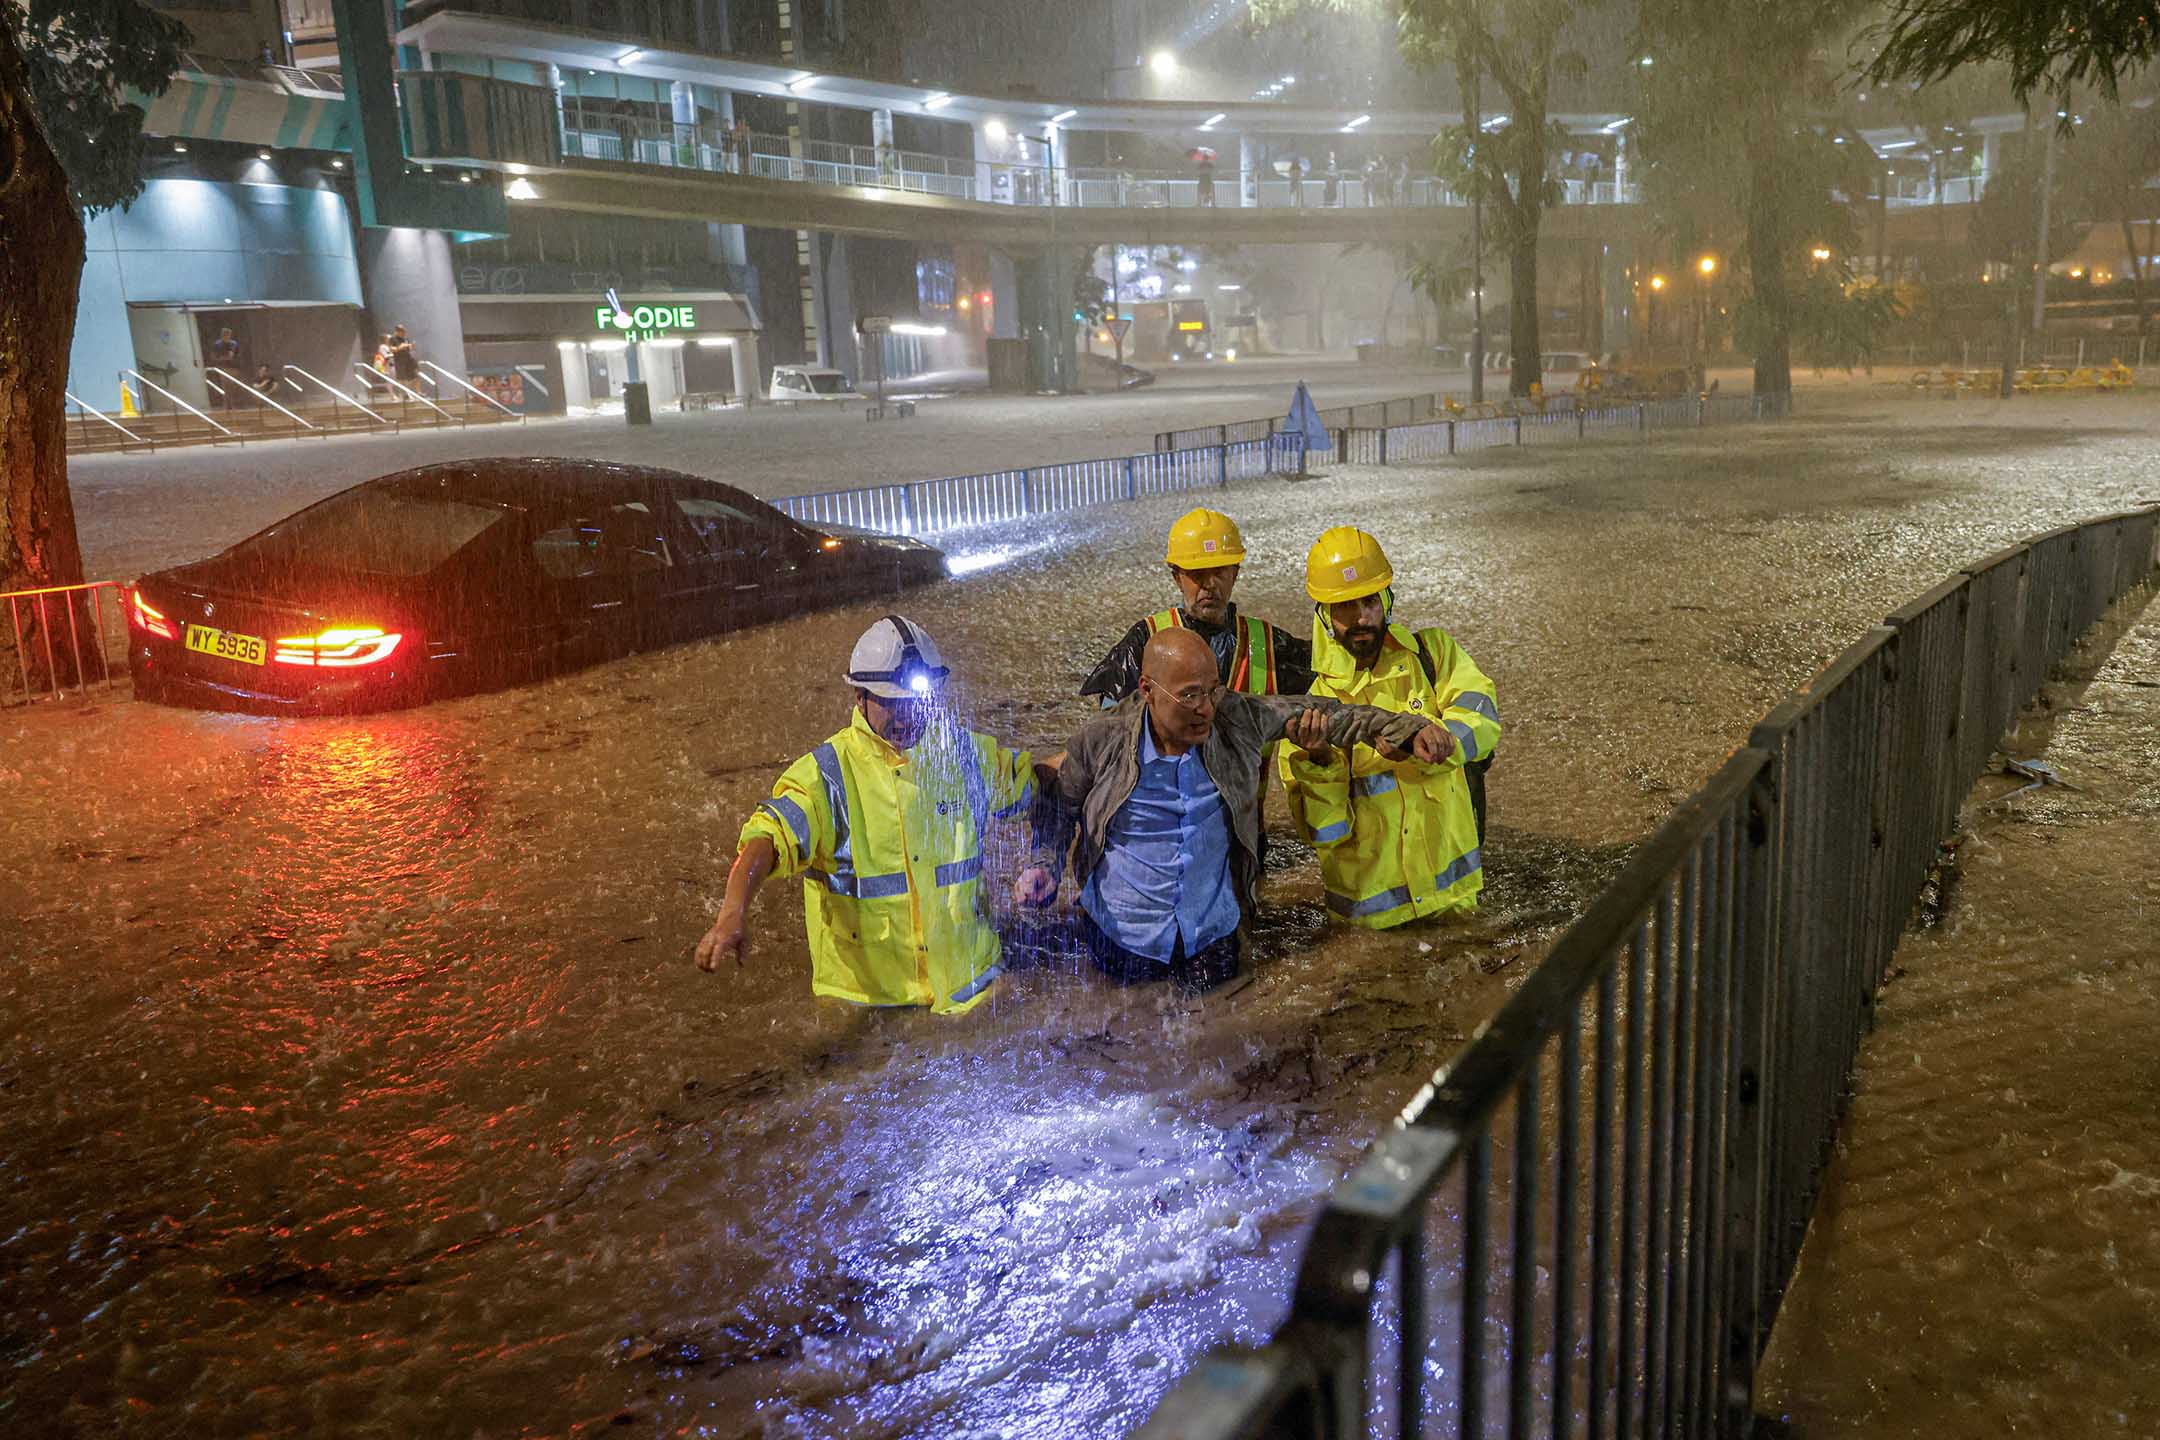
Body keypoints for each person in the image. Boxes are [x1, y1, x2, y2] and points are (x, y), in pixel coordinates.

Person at [1017, 628, 1453, 992]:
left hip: (1212, 939)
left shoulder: (1236, 718)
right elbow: (1060, 808)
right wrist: (1044, 866)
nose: (1207, 708)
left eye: (1213, 690)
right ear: (1148, 690)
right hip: (1121, 940)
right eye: (1190, 696)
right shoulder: (1101, 740)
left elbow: (1333, 714)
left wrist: (1408, 729)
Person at [694, 616, 1040, 1014]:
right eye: (892, 703)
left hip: (974, 991)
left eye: (918, 702)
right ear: (859, 697)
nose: (908, 716)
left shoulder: (964, 755)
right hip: (872, 1009)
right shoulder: (826, 776)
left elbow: (1040, 784)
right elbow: (766, 841)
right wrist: (732, 914)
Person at [1279, 527, 1499, 929]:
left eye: (1369, 601)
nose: (1361, 617)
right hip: (1370, 927)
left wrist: (1438, 742)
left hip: (1453, 902)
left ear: (1388, 599)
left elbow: (1483, 722)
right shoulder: (1310, 709)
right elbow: (1324, 834)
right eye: (1344, 606)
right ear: (1324, 615)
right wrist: (1320, 758)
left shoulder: (1435, 655)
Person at [1080, 507, 1315, 705]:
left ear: (1234, 574)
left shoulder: (1269, 643)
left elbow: (1329, 670)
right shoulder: (1145, 638)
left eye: (1219, 571)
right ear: (1177, 578)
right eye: (1197, 574)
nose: (1209, 584)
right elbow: (1108, 727)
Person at [209, 328, 241, 407]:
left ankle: (233, 404)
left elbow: (236, 355)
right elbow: (213, 356)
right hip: (224, 367)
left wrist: (231, 358)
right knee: (226, 387)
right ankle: (227, 405)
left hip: (234, 367)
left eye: (229, 335)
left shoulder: (234, 343)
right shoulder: (218, 344)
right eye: (226, 335)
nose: (228, 336)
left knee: (233, 387)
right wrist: (221, 359)